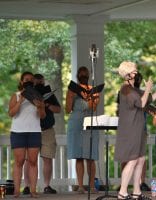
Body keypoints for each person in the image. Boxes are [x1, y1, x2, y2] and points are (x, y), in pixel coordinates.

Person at [114, 61, 156, 200]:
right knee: (133, 160)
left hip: (138, 128)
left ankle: (137, 192)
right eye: (134, 71)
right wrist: (147, 89)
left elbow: (149, 98)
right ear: (127, 75)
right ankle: (122, 192)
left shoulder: (134, 89)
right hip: (130, 129)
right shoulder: (125, 89)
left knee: (140, 159)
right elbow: (141, 103)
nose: (137, 73)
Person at [8, 71, 46, 198]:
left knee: (33, 161)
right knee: (19, 161)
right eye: (26, 79)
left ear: (34, 82)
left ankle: (33, 190)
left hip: (34, 132)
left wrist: (40, 107)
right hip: (18, 132)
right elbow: (11, 113)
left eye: (31, 79)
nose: (29, 81)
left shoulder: (38, 96)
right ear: (21, 82)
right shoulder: (16, 95)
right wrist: (21, 101)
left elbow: (42, 116)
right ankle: (17, 191)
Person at [23, 74, 61, 195]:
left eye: (41, 80)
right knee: (29, 160)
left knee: (47, 159)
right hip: (32, 130)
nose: (40, 82)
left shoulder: (49, 94)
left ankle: (47, 186)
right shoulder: (28, 94)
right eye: (37, 80)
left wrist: (47, 105)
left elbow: (58, 109)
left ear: (44, 81)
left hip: (47, 130)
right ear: (33, 82)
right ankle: (27, 186)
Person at [65, 66, 100, 194]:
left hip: (89, 122)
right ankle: (80, 186)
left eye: (85, 73)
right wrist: (71, 96)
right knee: (78, 156)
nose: (83, 75)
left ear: (88, 75)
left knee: (90, 156)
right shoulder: (71, 90)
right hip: (75, 121)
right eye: (81, 74)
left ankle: (91, 186)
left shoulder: (94, 90)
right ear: (77, 76)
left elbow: (93, 108)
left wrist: (89, 97)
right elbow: (67, 109)